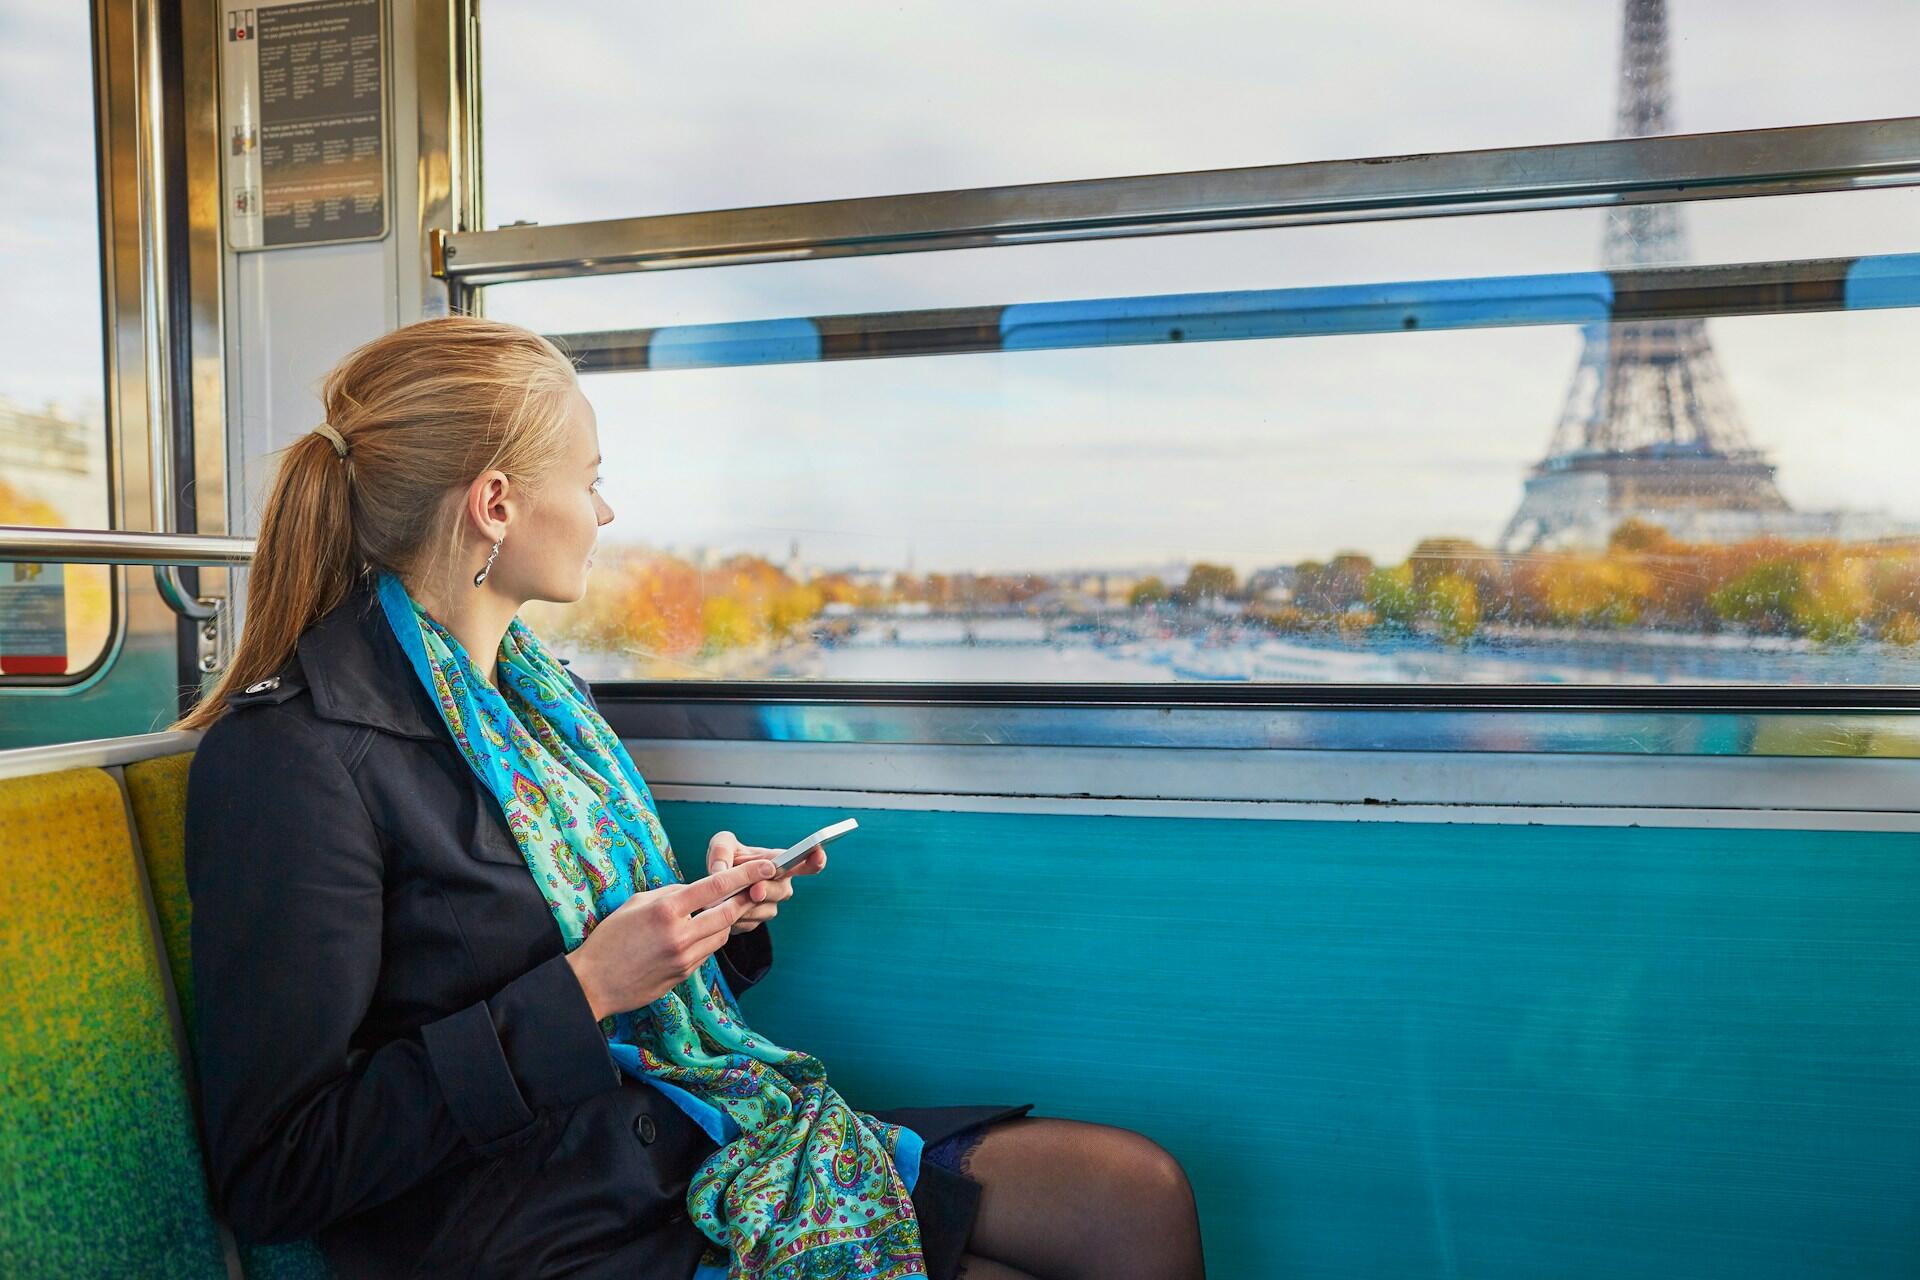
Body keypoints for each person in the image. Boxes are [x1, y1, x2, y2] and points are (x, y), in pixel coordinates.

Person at [179, 316, 1205, 1280]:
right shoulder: (291, 760)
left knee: (1137, 1196)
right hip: (532, 1226)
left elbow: (591, 974)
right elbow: (281, 1166)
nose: (606, 511)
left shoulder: (542, 706)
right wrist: (585, 986)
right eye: (589, 480)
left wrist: (705, 924)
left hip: (675, 1138)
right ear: (496, 503)